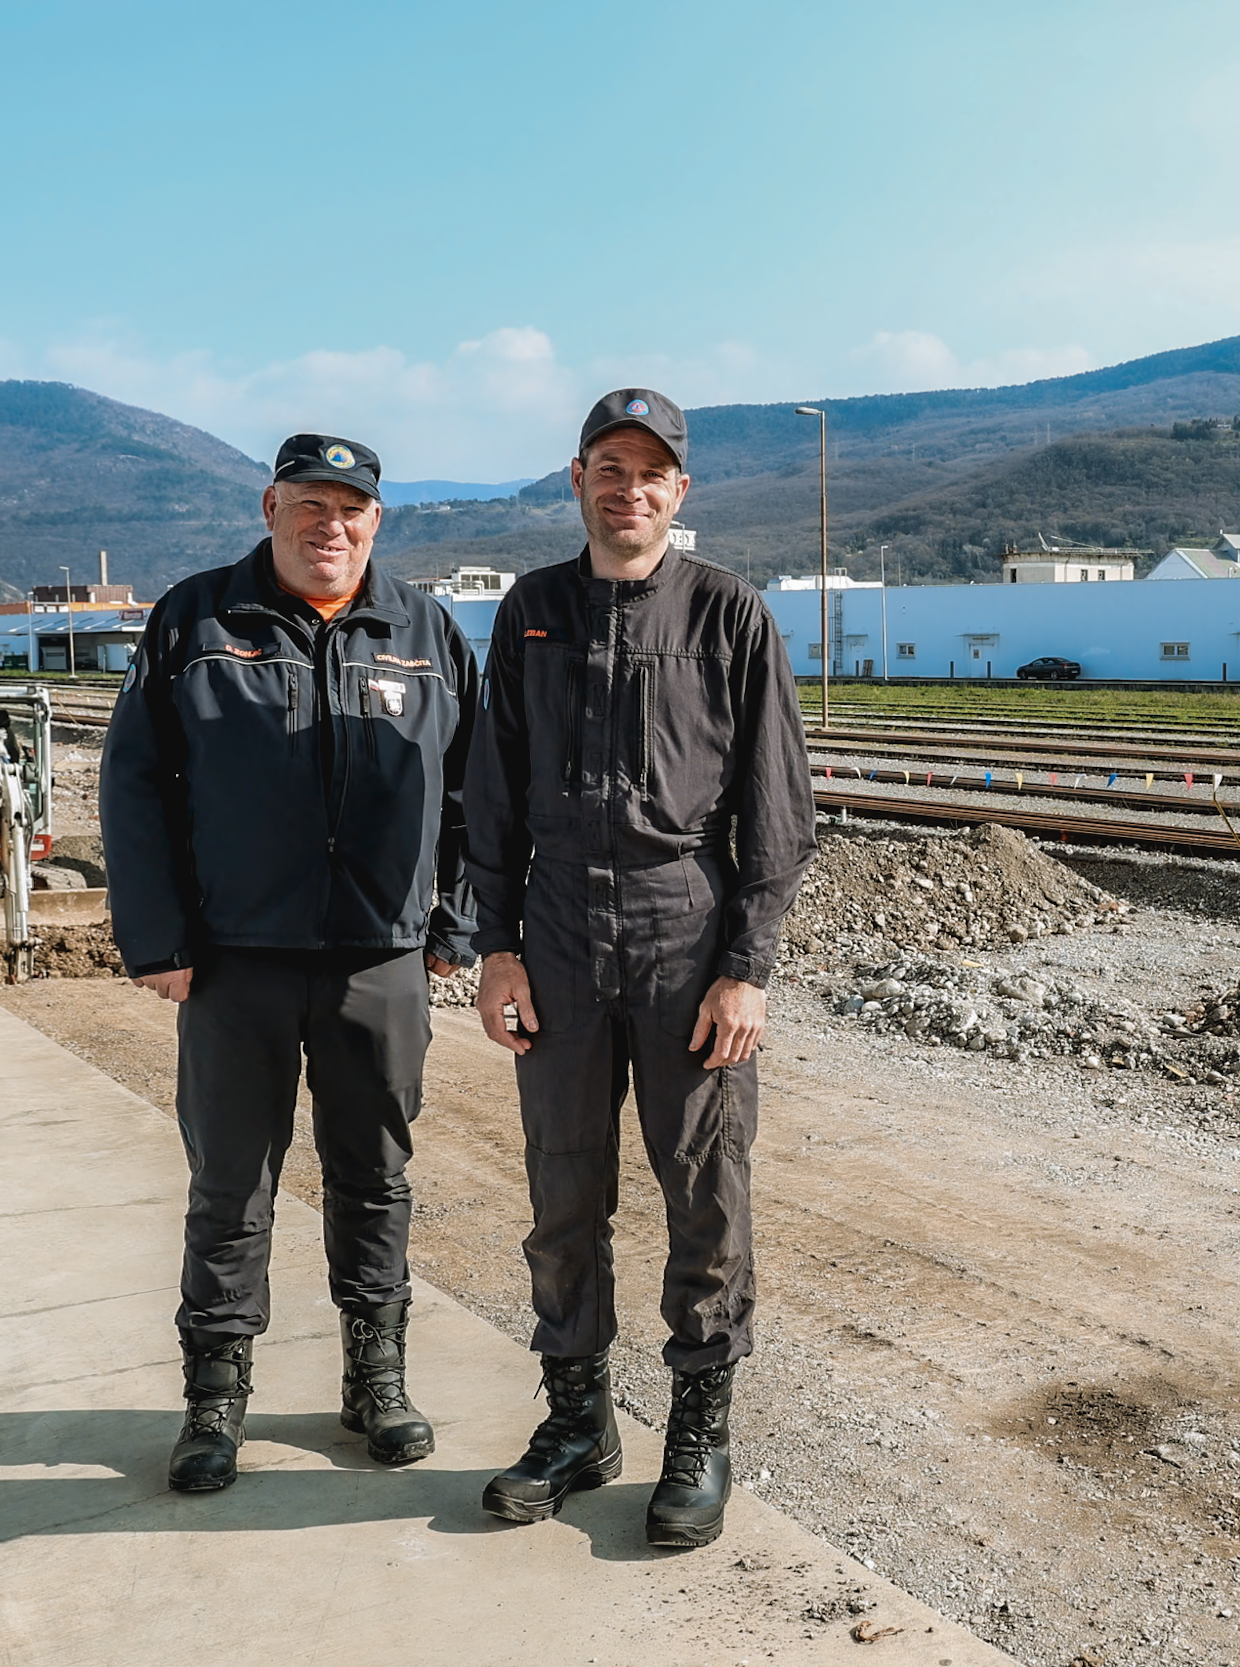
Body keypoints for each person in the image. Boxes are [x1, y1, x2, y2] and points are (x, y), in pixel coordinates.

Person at [465, 388, 814, 1548]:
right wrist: (497, 944)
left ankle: (698, 1434)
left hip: (683, 922)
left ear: (680, 490)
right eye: (608, 467)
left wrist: (746, 966)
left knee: (704, 1188)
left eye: (650, 470)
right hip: (558, 926)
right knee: (564, 1190)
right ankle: (577, 1422)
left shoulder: (729, 614)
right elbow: (492, 795)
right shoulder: (531, 610)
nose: (629, 487)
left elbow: (775, 810)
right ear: (576, 480)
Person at [102, 433, 479, 1492]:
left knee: (376, 1177)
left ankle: (377, 1377)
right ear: (270, 506)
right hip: (234, 961)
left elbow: (470, 795)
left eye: (352, 508)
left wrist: (454, 923)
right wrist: (160, 936)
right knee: (231, 1183)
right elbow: (137, 784)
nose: (332, 526)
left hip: (380, 960)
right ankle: (215, 1401)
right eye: (311, 505)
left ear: (377, 519)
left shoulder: (424, 631)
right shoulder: (197, 619)